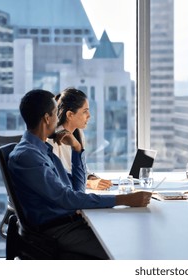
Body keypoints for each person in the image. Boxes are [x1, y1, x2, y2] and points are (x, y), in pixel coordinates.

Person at [8, 89, 152, 259]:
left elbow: (77, 191)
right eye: (56, 113)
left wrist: (77, 149)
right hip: (57, 231)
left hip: (69, 224)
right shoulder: (28, 156)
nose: (58, 118)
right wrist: (123, 200)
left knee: (128, 233)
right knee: (125, 252)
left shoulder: (42, 150)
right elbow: (67, 198)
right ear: (47, 118)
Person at [47, 87, 111, 190]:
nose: (89, 116)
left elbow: (81, 169)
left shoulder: (78, 133)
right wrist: (89, 183)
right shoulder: (52, 140)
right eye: (85, 111)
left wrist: (91, 177)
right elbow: (60, 181)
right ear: (70, 115)